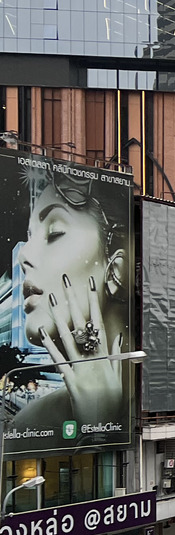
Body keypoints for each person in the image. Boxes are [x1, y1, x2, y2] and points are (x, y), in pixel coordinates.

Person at [7, 162, 135, 443]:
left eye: (54, 233)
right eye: (28, 237)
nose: (24, 255)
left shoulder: (164, 398)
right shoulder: (29, 424)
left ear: (116, 270)